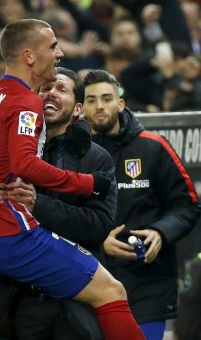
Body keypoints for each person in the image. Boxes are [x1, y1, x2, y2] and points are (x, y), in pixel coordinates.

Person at [0, 19, 143, 339]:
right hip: (12, 235)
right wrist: (87, 183)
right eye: (52, 47)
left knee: (12, 330)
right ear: (29, 56)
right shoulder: (27, 99)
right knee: (111, 291)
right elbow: (25, 163)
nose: (59, 54)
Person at [81, 69, 200, 340]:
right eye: (91, 100)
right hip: (91, 280)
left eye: (107, 98)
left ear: (120, 104)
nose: (100, 106)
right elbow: (60, 213)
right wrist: (99, 241)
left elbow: (187, 204)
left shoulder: (154, 147)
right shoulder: (72, 154)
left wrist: (161, 231)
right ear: (81, 107)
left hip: (149, 282)